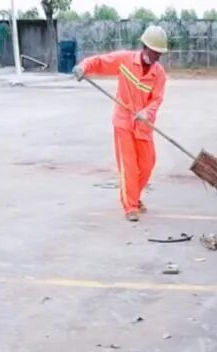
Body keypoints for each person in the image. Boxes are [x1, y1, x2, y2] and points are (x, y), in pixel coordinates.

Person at [74, 26, 169, 222]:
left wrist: (147, 112)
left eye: (159, 54)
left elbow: (157, 99)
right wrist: (83, 67)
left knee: (148, 163)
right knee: (129, 166)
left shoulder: (159, 73)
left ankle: (134, 196)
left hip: (143, 125)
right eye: (154, 52)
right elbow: (101, 61)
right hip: (124, 123)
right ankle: (130, 206)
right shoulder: (125, 60)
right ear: (145, 47)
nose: (156, 57)